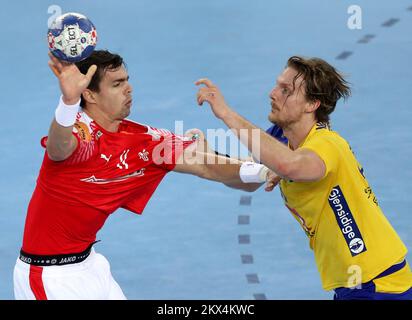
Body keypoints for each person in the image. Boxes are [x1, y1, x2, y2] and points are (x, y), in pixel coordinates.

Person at [13, 50, 270, 300]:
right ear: (89, 94)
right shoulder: (82, 133)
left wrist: (266, 169)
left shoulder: (143, 139)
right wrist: (68, 103)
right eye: (116, 84)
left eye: (127, 80)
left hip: (92, 266)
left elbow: (207, 165)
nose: (129, 89)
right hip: (50, 278)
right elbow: (59, 149)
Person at [195, 56, 412, 300]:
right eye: (277, 85)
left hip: (379, 285)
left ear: (312, 105)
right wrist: (207, 155)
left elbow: (290, 166)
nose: (273, 93)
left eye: (286, 90)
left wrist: (226, 114)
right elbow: (243, 179)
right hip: (353, 285)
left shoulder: (328, 144)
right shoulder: (281, 139)